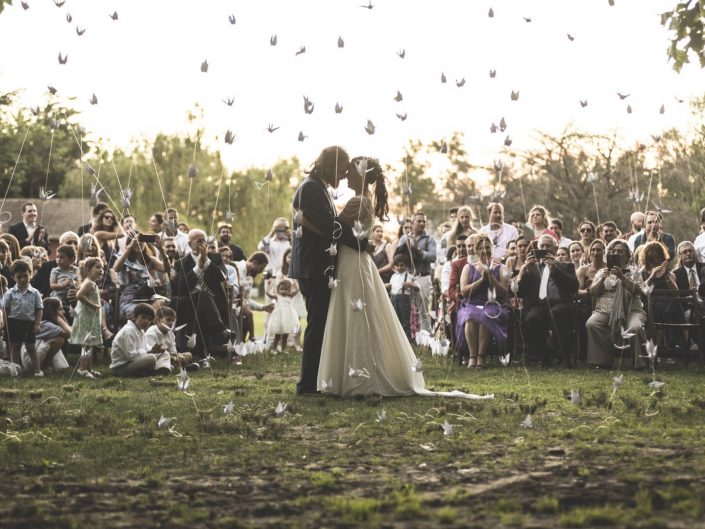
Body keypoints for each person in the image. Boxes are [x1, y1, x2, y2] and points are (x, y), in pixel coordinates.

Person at [317, 156, 491, 400]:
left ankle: (361, 378)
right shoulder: (364, 198)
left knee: (357, 319)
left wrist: (306, 218)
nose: (345, 174)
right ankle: (354, 375)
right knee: (357, 316)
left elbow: (333, 227)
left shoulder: (359, 200)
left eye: (350, 170)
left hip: (352, 263)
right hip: (353, 260)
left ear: (362, 174)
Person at [289, 146, 361, 395]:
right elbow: (331, 227)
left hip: (318, 266)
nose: (343, 176)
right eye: (342, 170)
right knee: (317, 325)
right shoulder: (311, 188)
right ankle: (306, 385)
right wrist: (361, 242)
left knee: (320, 323)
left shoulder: (319, 188)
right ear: (331, 165)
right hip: (313, 267)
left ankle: (314, 380)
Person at [517, 234, 579, 365]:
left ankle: (562, 356)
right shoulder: (532, 267)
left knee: (556, 314)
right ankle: (542, 355)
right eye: (542, 246)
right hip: (540, 304)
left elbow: (574, 287)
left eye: (548, 246)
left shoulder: (566, 266)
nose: (545, 249)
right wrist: (527, 272)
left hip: (560, 304)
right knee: (531, 318)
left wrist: (555, 270)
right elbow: (520, 292)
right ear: (537, 249)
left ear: (555, 249)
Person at [586, 240, 646, 368]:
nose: (616, 254)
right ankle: (601, 362)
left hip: (631, 310)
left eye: (620, 251)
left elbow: (638, 290)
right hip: (605, 311)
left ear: (627, 255)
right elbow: (592, 292)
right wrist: (602, 278)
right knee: (592, 323)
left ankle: (639, 363)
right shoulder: (602, 272)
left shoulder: (634, 272)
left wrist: (622, 277)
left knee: (635, 327)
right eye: (613, 251)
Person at [456, 235, 509, 368]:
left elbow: (503, 293)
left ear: (491, 248)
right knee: (470, 315)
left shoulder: (501, 268)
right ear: (476, 250)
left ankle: (481, 357)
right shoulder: (468, 268)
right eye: (481, 248)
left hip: (493, 304)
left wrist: (491, 278)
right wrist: (481, 281)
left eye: (487, 247)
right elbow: (464, 291)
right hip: (471, 303)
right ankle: (472, 357)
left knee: (486, 314)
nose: (484, 250)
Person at [396, 211, 436, 334]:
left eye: (424, 221)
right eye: (419, 221)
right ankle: (408, 337)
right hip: (408, 276)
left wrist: (418, 250)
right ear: (412, 223)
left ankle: (426, 338)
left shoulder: (430, 239)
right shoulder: (404, 238)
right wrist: (405, 248)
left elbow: (433, 257)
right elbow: (398, 257)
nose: (422, 223)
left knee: (423, 309)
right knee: (405, 308)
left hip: (423, 276)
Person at [2, 259, 44, 375]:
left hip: (28, 323)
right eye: (19, 277)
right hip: (13, 322)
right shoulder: (10, 293)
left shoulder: (35, 293)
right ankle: (16, 370)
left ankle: (37, 370)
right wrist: (4, 323)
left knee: (31, 347)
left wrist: (37, 324)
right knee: (15, 347)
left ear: (30, 274)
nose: (22, 279)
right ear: (13, 277)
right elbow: (5, 309)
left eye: (25, 276)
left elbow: (39, 309)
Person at [110, 303, 171, 377]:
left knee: (165, 353)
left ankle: (162, 370)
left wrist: (155, 350)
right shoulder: (128, 331)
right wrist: (151, 351)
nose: (146, 321)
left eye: (149, 320)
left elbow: (145, 348)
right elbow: (131, 356)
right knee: (151, 358)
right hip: (122, 367)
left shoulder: (140, 330)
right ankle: (156, 370)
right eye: (143, 317)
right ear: (134, 317)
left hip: (134, 362)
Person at [69, 257, 104, 379]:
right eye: (98, 267)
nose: (101, 270)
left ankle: (88, 368)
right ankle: (82, 369)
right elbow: (79, 295)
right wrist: (93, 305)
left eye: (102, 268)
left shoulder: (92, 283)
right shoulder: (89, 283)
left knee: (90, 343)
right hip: (86, 318)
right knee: (87, 344)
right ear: (88, 269)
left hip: (91, 318)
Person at [20, 297, 70, 373]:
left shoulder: (43, 322)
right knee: (60, 339)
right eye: (60, 309)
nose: (63, 312)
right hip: (31, 361)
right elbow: (68, 333)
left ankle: (47, 366)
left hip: (30, 358)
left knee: (56, 338)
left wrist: (62, 318)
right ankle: (44, 367)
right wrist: (59, 319)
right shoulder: (46, 325)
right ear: (52, 312)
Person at [144, 306, 195, 373]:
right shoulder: (151, 333)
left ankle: (177, 366)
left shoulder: (171, 334)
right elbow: (151, 353)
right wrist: (172, 356)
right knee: (163, 357)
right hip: (156, 358)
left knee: (188, 355)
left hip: (168, 357)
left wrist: (178, 356)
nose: (171, 323)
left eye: (173, 321)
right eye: (168, 320)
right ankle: (177, 367)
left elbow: (173, 351)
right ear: (158, 321)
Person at [386, 254, 417, 341]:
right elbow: (391, 285)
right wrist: (387, 285)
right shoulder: (393, 276)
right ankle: (397, 339)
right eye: (397, 265)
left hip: (404, 299)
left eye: (402, 265)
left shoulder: (409, 276)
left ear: (406, 265)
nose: (399, 267)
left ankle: (407, 339)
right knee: (396, 319)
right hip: (394, 299)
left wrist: (411, 284)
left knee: (405, 320)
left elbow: (418, 287)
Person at [267, 279, 300, 353]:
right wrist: (269, 286)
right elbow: (268, 294)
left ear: (289, 290)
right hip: (278, 318)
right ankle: (274, 348)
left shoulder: (290, 296)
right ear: (278, 290)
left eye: (286, 289)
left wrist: (296, 282)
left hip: (287, 318)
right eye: (281, 289)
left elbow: (297, 289)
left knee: (285, 335)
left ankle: (283, 349)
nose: (283, 291)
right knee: (277, 335)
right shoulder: (277, 297)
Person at [49, 244, 79, 319]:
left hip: (72, 301)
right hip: (58, 301)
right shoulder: (55, 271)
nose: (58, 259)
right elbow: (52, 285)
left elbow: (80, 284)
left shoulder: (76, 270)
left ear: (72, 260)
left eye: (62, 257)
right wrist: (63, 285)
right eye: (57, 257)